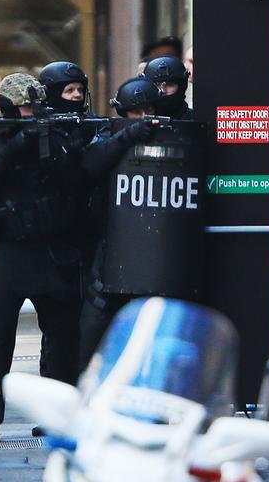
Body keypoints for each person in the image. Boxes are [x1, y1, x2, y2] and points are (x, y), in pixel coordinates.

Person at [0, 73, 89, 442]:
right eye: (24, 107)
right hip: (11, 252)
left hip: (53, 249)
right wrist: (14, 146)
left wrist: (55, 143)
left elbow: (79, 180)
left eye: (36, 106)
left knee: (62, 337)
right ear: (8, 108)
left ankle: (54, 415)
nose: (32, 112)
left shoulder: (58, 134)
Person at [77, 77, 162, 373]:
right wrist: (129, 136)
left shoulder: (175, 131)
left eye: (147, 110)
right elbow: (91, 163)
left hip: (158, 248)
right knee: (94, 322)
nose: (142, 117)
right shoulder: (107, 132)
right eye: (135, 112)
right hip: (113, 243)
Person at [142, 56, 193, 120]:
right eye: (157, 85)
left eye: (169, 85)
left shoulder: (194, 119)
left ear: (181, 87)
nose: (163, 90)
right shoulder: (139, 118)